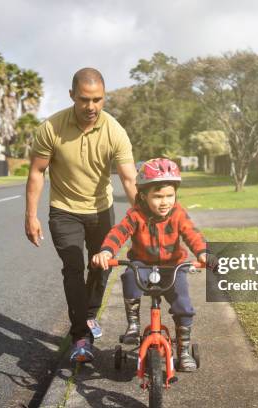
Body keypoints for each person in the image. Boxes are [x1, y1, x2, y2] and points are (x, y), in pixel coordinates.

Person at [25, 68, 137, 363]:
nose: (91, 107)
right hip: (64, 211)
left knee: (103, 266)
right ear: (72, 95)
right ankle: (80, 337)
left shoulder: (114, 130)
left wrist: (144, 217)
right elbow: (37, 171)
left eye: (98, 99)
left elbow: (129, 178)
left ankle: (89, 316)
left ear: (104, 97)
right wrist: (31, 216)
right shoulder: (52, 127)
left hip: (101, 209)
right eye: (85, 99)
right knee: (74, 268)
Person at [92, 158, 206, 372]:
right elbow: (119, 232)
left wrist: (203, 253)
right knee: (129, 277)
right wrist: (107, 251)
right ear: (143, 196)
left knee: (184, 306)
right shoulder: (136, 214)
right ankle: (133, 324)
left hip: (173, 266)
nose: (165, 202)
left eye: (169, 196)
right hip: (142, 264)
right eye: (158, 196)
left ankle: (183, 350)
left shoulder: (178, 214)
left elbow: (192, 234)